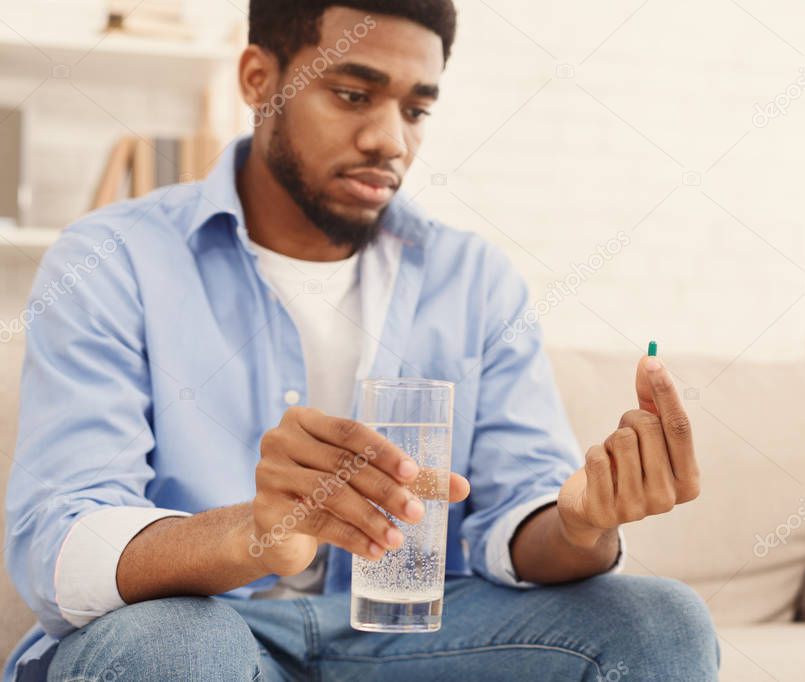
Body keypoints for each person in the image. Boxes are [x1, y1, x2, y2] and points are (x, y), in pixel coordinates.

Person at [3, 1, 719, 679]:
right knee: (174, 649)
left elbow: (520, 519)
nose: (390, 140)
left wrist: (582, 524)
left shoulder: (472, 279)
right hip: (204, 623)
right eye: (352, 94)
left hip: (413, 639)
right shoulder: (113, 257)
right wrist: (251, 533)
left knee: (660, 622)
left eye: (415, 110)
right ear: (259, 79)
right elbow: (60, 537)